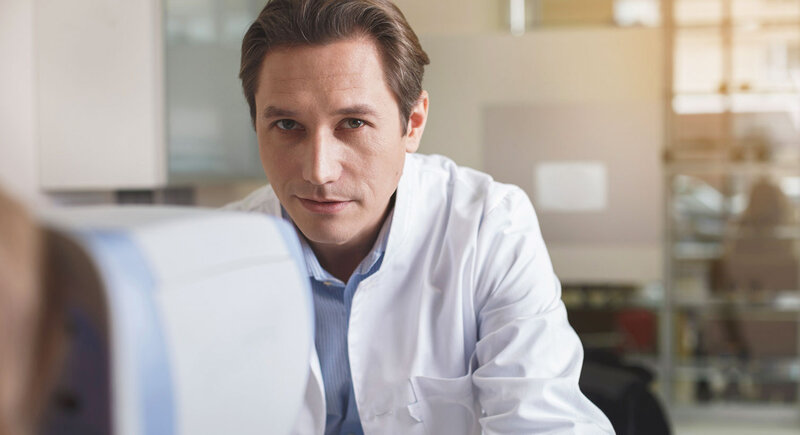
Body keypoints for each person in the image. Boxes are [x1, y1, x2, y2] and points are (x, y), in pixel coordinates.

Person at [227, 0, 614, 433]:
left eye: (352, 123)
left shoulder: (489, 227)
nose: (319, 170)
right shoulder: (215, 254)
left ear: (412, 123)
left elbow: (544, 423)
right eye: (286, 125)